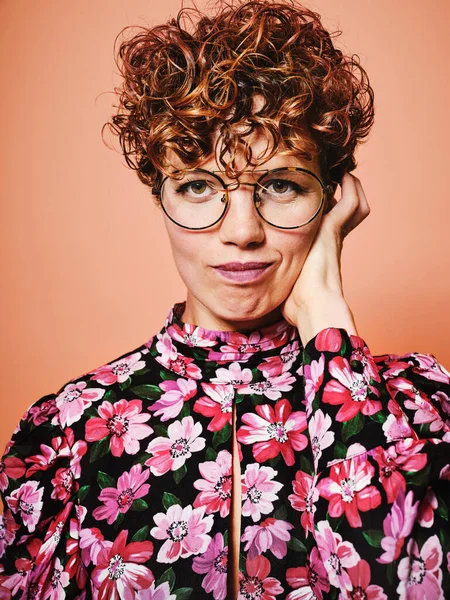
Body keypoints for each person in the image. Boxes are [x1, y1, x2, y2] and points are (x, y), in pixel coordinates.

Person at [0, 0, 449, 598]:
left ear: (336, 197)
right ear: (159, 195)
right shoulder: (68, 431)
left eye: (281, 184)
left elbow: (407, 584)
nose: (241, 230)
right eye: (197, 185)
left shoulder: (417, 411)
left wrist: (325, 318)